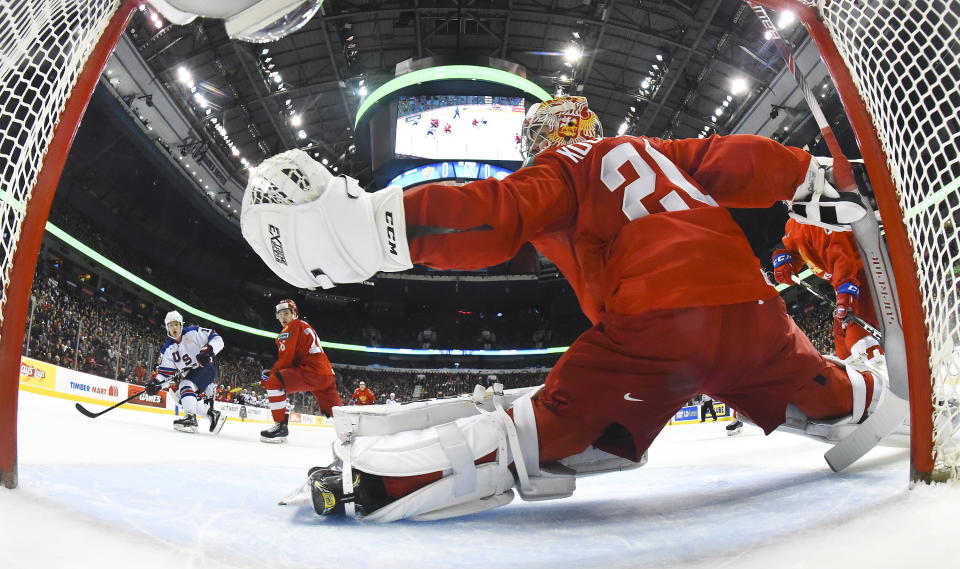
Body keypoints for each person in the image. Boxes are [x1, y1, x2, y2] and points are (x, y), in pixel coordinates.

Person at [241, 96, 890, 522]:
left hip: (655, 325)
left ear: (545, 141)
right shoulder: (659, 152)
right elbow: (737, 157)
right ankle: (874, 397)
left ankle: (379, 486)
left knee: (541, 430)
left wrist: (377, 227)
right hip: (749, 309)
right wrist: (812, 177)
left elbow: (494, 215)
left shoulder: (563, 169)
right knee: (819, 394)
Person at [771, 218, 882, 362]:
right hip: (842, 283)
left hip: (861, 274)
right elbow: (798, 249)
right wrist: (787, 261)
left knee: (858, 338)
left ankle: (883, 374)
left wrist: (846, 290)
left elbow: (840, 257)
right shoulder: (793, 223)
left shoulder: (818, 216)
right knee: (843, 349)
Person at [259, 299, 341, 443]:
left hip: (312, 372)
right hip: (326, 375)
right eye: (280, 314)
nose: (283, 317)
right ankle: (354, 435)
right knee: (337, 412)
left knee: (274, 382)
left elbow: (286, 359)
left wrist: (271, 375)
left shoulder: (292, 327)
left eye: (286, 313)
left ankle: (281, 427)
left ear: (294, 314)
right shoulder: (303, 326)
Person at [145, 311, 223, 434]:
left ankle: (190, 419)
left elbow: (217, 338)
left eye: (176, 324)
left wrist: (209, 350)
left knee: (185, 385)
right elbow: (166, 375)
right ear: (167, 328)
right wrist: (156, 383)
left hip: (206, 368)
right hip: (190, 374)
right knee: (181, 397)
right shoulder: (167, 349)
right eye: (171, 325)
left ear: (181, 325)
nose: (174, 328)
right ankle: (212, 414)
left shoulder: (193, 332)